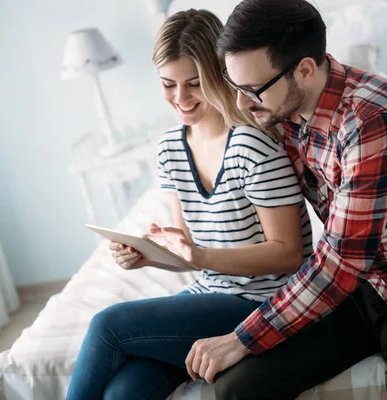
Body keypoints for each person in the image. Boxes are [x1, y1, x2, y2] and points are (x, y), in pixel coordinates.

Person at [182, 1, 387, 399]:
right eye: (235, 87)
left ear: (304, 69)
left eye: (252, 90)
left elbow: (343, 258)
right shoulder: (278, 108)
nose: (243, 103)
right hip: (358, 287)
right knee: (238, 386)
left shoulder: (371, 115)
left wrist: (243, 337)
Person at [65, 9, 313, 400]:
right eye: (168, 84)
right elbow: (187, 249)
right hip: (208, 293)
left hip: (265, 303)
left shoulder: (254, 146)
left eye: (194, 84)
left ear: (219, 76)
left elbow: (288, 255)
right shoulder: (169, 149)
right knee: (122, 394)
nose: (180, 98)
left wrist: (199, 258)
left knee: (108, 326)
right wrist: (147, 256)